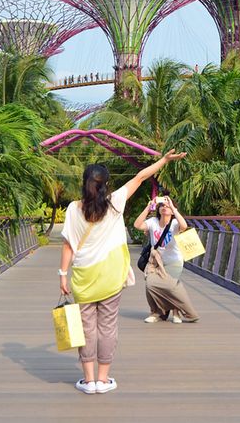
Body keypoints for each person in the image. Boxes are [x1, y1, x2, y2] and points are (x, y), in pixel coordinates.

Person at [59, 150, 187, 394]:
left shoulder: (73, 209)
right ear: (106, 185)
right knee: (107, 326)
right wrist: (164, 160)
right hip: (111, 277)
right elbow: (140, 177)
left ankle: (88, 381)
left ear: (84, 184)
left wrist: (62, 275)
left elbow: (67, 245)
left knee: (85, 328)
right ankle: (103, 380)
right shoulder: (115, 202)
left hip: (83, 278)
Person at [133, 195, 199, 324]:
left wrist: (174, 209)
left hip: (174, 261)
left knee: (170, 287)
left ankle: (176, 312)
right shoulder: (153, 222)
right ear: (158, 209)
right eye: (162, 205)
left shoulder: (174, 223)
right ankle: (157, 312)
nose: (164, 207)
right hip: (156, 262)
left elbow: (184, 226)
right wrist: (148, 208)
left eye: (167, 206)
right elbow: (137, 225)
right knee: (150, 285)